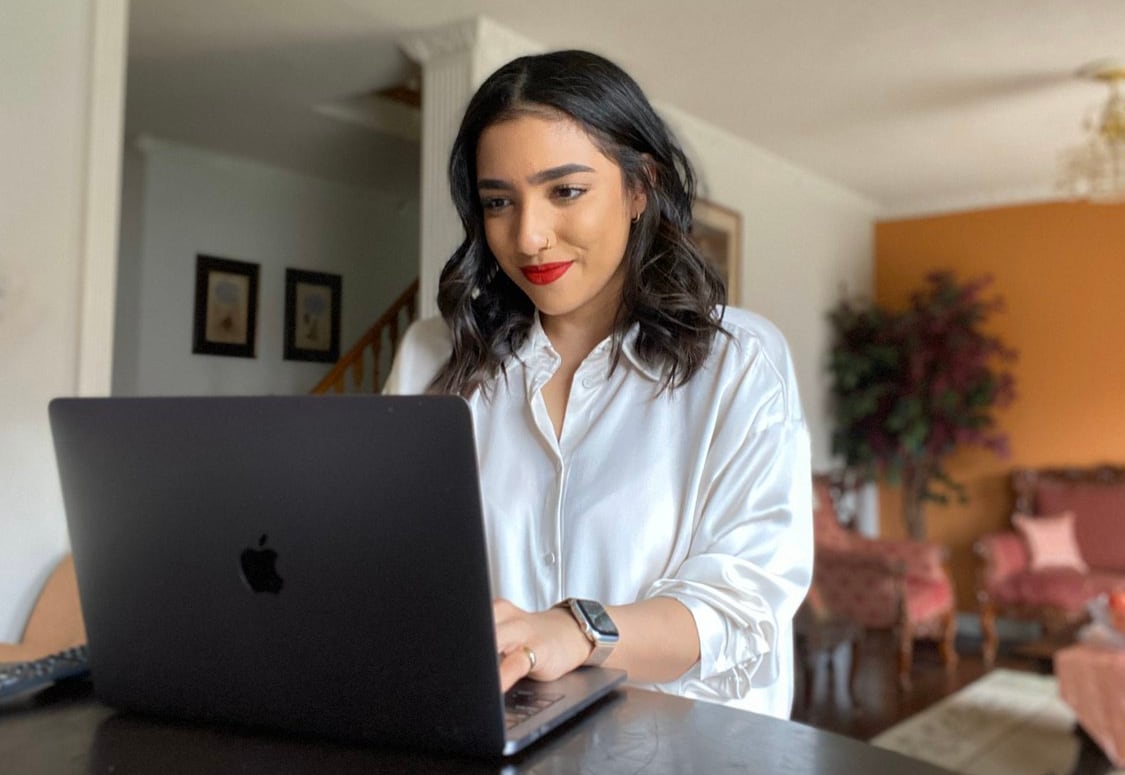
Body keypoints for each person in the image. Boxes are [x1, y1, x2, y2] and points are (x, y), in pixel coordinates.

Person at [383, 50, 812, 718]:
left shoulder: (739, 363)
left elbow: (744, 606)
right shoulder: (430, 356)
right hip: (485, 736)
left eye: (565, 191)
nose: (528, 236)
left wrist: (577, 631)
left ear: (639, 188)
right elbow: (393, 561)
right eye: (499, 201)